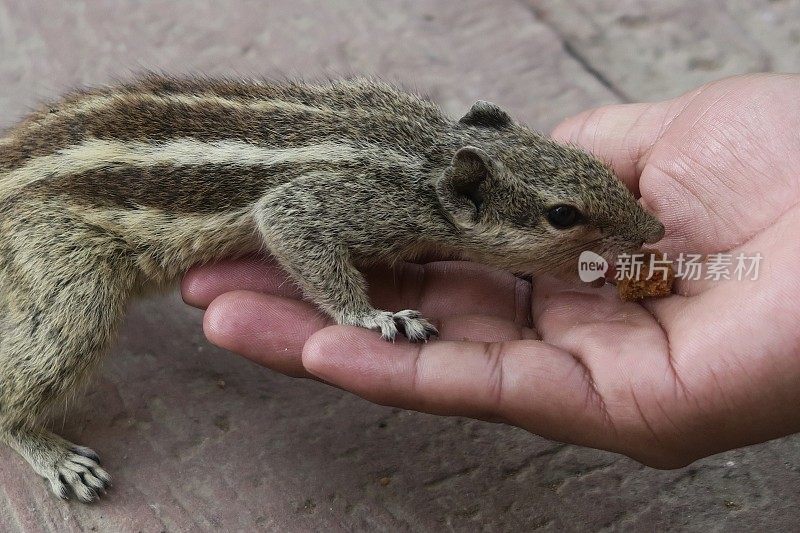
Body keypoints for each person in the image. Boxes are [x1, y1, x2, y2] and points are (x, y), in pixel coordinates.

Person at [181, 74, 800, 468]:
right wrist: (354, 310)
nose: (646, 237)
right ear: (466, 199)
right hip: (109, 221)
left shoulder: (437, 178)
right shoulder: (391, 203)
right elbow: (290, 217)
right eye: (565, 218)